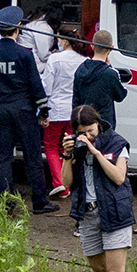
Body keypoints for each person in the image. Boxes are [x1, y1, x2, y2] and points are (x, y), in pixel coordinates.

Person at [0, 5, 57, 212]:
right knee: (32, 157)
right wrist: (44, 111)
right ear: (17, 28)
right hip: (24, 111)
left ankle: (7, 202)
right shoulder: (24, 54)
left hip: (0, 111)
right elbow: (35, 85)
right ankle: (39, 202)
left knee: (4, 157)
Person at [59, 103, 133, 272]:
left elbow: (118, 177)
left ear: (98, 125)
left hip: (114, 213)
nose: (88, 136)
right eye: (82, 133)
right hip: (87, 215)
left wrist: (96, 152)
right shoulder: (76, 147)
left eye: (91, 130)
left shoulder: (116, 143)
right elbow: (66, 183)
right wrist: (67, 156)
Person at [39, 24, 88, 200]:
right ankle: (72, 181)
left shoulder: (55, 59)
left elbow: (46, 87)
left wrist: (42, 109)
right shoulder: (83, 60)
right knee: (69, 146)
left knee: (51, 147)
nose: (57, 42)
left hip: (55, 109)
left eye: (59, 38)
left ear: (65, 41)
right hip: (74, 111)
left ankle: (60, 184)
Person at [71, 29, 128, 130]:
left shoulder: (80, 69)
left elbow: (76, 99)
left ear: (92, 46)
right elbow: (120, 96)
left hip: (83, 123)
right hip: (104, 125)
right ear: (111, 48)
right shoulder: (110, 74)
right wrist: (111, 67)